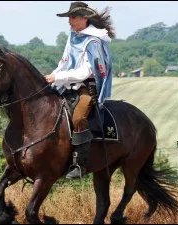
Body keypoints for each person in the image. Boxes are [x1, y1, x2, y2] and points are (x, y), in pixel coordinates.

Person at [44, 1, 114, 179]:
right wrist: (50, 77)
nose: (70, 21)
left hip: (87, 88)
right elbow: (65, 62)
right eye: (69, 17)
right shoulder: (73, 36)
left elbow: (87, 71)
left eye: (73, 17)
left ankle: (79, 163)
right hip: (67, 84)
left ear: (84, 18)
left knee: (79, 117)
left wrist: (58, 78)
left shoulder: (93, 41)